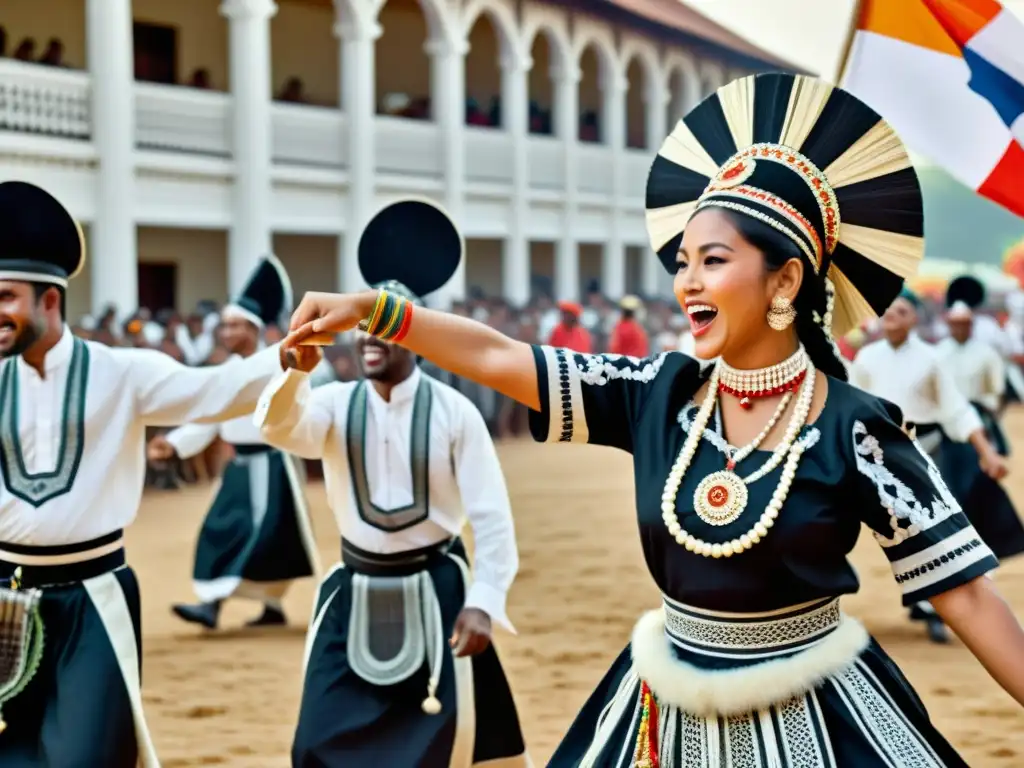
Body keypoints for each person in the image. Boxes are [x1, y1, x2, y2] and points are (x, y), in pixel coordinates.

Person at [280, 73, 1024, 766]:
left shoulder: (855, 430)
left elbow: (965, 595)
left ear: (786, 278)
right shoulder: (656, 394)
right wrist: (376, 311)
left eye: (713, 260)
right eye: (682, 262)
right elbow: (505, 358)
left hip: (819, 710)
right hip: (661, 708)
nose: (686, 281)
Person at [0, 181, 284, 767]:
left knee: (86, 756)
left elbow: (214, 392)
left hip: (94, 599)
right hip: (4, 593)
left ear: (50, 300)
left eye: (6, 297)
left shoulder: (121, 373)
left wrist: (289, 354)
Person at [256, 200, 529, 767]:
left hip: (440, 594)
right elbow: (279, 427)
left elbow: (492, 517)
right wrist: (293, 375)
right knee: (314, 745)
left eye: (386, 324)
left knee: (444, 748)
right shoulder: (329, 403)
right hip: (351, 590)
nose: (371, 338)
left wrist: (484, 602)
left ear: (418, 335)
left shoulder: (456, 413)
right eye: (364, 326)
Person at [147, 255, 320, 630]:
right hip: (239, 468)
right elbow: (207, 418)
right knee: (226, 531)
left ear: (253, 329)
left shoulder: (276, 363)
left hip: (273, 466)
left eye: (234, 326)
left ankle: (219, 605)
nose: (226, 333)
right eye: (223, 326)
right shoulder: (225, 372)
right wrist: (175, 444)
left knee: (264, 536)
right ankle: (228, 604)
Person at [850, 288, 1008, 643]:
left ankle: (935, 605)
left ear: (915, 318)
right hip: (873, 452)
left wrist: (987, 452)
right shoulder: (866, 359)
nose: (891, 314)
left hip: (925, 450)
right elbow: (850, 408)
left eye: (901, 310)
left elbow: (956, 409)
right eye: (887, 309)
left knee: (928, 527)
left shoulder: (932, 358)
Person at [934, 299, 1024, 561]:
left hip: (978, 425)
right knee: (949, 483)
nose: (959, 328)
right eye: (955, 323)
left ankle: (996, 540)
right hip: (947, 430)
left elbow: (996, 392)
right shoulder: (938, 353)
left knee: (979, 480)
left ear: (970, 324)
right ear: (949, 324)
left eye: (964, 323)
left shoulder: (986, 353)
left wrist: (986, 421)